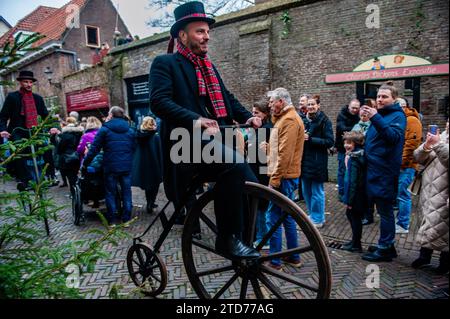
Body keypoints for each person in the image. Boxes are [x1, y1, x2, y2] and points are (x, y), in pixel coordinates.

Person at [149, 1, 262, 259]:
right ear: (182, 35)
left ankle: (245, 238)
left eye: (207, 32)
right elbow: (158, 102)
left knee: (253, 179)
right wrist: (195, 119)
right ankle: (227, 240)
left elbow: (227, 98)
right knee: (233, 165)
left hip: (213, 142)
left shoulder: (208, 68)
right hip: (183, 144)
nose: (206, 36)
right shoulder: (165, 63)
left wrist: (249, 117)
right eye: (200, 31)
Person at [361, 82, 406, 262]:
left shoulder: (397, 116)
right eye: (378, 96)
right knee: (382, 209)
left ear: (394, 99)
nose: (380, 99)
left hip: (384, 172)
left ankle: (385, 247)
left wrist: (375, 118)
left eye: (384, 96)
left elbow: (393, 137)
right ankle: (388, 245)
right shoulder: (381, 115)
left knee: (385, 211)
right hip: (374, 170)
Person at [265, 88, 304, 270]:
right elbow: (280, 148)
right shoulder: (284, 119)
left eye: (272, 102)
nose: (270, 105)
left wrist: (274, 180)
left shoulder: (289, 120)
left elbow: (285, 154)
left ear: (281, 101)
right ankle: (293, 256)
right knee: (286, 217)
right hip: (286, 176)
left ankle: (275, 260)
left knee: (272, 217)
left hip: (283, 177)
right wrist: (268, 147)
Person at [82, 106, 136, 224]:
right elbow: (133, 147)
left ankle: (112, 221)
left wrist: (85, 163)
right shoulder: (130, 129)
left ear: (111, 115)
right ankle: (126, 219)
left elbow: (94, 149)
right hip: (126, 166)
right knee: (127, 192)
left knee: (110, 193)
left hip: (110, 166)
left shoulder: (105, 129)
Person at [0, 70, 49, 187]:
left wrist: (52, 128)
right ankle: (23, 179)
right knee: (18, 153)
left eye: (30, 82)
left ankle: (46, 174)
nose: (28, 84)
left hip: (34, 130)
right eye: (25, 82)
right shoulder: (12, 97)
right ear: (21, 83)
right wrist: (3, 129)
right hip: (17, 131)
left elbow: (46, 116)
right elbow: (3, 116)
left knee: (45, 148)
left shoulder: (37, 98)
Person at [411, 122, 448, 275]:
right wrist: (426, 145)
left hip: (444, 189)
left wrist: (437, 144)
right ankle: (424, 256)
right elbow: (418, 157)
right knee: (427, 222)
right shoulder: (441, 136)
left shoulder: (440, 140)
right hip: (429, 188)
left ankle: (444, 263)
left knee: (443, 227)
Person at [301, 94, 334, 228]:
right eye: (308, 104)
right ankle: (312, 214)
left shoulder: (325, 121)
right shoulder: (303, 120)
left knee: (317, 191)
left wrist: (310, 139)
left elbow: (330, 141)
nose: (310, 107)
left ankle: (319, 218)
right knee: (306, 190)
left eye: (313, 104)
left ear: (318, 105)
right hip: (304, 160)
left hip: (317, 161)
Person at [247, 99, 272, 248]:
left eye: (256, 113)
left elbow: (263, 155)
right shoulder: (257, 129)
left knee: (261, 207)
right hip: (254, 170)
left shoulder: (267, 129)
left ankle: (264, 239)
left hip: (261, 173)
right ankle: (258, 235)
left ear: (265, 114)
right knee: (257, 206)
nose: (253, 115)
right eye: (252, 112)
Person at [395, 97, 422, 234]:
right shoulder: (401, 119)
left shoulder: (411, 120)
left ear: (402, 106)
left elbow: (411, 144)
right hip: (400, 164)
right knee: (400, 193)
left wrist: (402, 163)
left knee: (403, 194)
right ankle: (400, 219)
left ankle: (403, 224)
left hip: (406, 166)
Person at [341, 131, 367, 253]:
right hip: (358, 194)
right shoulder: (357, 155)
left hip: (356, 195)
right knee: (351, 216)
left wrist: (349, 200)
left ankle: (356, 244)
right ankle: (355, 241)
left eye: (349, 143)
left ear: (356, 143)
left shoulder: (354, 158)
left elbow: (353, 181)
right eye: (345, 142)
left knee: (354, 217)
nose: (346, 145)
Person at [131, 116, 163, 214]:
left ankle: (149, 202)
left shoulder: (137, 136)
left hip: (142, 164)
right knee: (154, 184)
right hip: (154, 163)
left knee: (148, 184)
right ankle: (151, 203)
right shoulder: (155, 136)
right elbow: (160, 152)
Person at [335, 99, 361, 201]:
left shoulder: (359, 116)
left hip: (355, 149)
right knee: (342, 171)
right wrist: (356, 131)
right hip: (343, 148)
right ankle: (341, 193)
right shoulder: (342, 115)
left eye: (356, 108)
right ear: (348, 107)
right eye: (353, 108)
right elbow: (342, 128)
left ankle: (349, 192)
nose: (354, 110)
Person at [56, 117, 83, 194]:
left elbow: (60, 148)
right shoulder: (79, 133)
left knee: (70, 176)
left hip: (67, 158)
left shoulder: (65, 135)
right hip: (77, 156)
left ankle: (74, 193)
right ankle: (79, 190)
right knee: (76, 174)